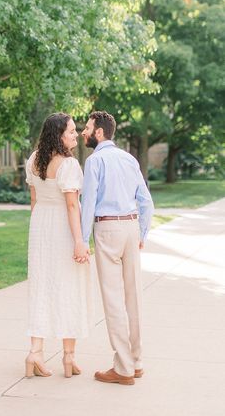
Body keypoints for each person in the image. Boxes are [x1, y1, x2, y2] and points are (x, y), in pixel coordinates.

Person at [80, 110, 154, 386]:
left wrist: (82, 239)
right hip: (131, 227)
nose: (83, 133)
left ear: (99, 132)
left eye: (87, 128)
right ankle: (136, 362)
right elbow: (146, 201)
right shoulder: (129, 159)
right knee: (133, 297)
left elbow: (88, 203)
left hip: (108, 229)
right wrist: (141, 233)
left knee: (113, 300)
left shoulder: (95, 161)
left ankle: (122, 368)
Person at [25, 112, 93, 379]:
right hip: (63, 228)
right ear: (59, 135)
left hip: (40, 225)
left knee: (40, 287)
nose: (76, 134)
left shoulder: (33, 160)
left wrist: (37, 231)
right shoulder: (68, 165)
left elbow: (34, 201)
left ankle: (35, 353)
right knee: (69, 287)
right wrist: (79, 241)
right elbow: (72, 205)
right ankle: (68, 357)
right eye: (71, 131)